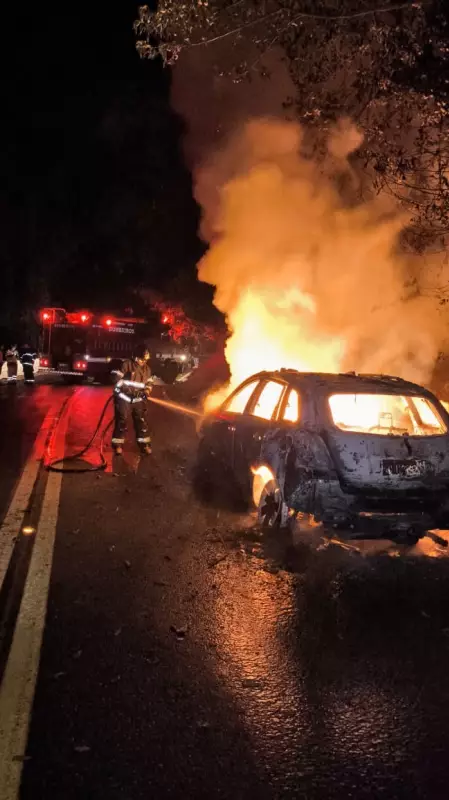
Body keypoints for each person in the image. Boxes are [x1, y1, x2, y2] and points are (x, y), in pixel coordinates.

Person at [111, 345, 153, 455]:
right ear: (136, 357)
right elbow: (117, 380)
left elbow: (149, 382)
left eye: (145, 360)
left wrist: (147, 391)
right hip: (124, 398)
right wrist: (127, 390)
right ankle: (117, 445)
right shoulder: (126, 365)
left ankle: (144, 445)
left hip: (138, 400)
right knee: (122, 420)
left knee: (141, 421)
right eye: (141, 359)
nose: (143, 362)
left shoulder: (147, 369)